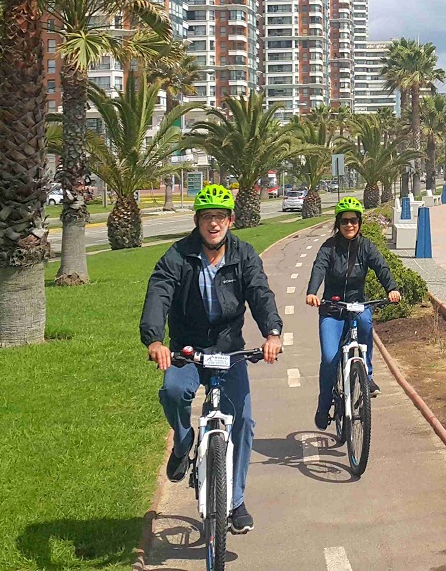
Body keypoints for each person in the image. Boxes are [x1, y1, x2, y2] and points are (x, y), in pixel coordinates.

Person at [140, 183, 282, 536]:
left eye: (220, 216)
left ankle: (234, 502)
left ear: (230, 220)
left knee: (244, 423)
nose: (213, 224)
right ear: (197, 221)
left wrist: (272, 333)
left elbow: (260, 293)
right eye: (207, 217)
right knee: (173, 391)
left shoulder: (244, 255)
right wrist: (155, 339)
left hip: (229, 350)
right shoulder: (177, 255)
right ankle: (184, 440)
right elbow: (159, 292)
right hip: (188, 351)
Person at [306, 196, 402, 431]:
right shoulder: (328, 248)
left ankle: (366, 375)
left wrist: (392, 288)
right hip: (332, 309)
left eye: (354, 221)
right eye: (345, 221)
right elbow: (318, 268)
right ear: (338, 223)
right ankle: (324, 403)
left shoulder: (366, 246)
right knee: (330, 358)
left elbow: (381, 267)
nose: (350, 225)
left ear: (359, 223)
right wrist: (312, 292)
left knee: (366, 324)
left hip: (357, 304)